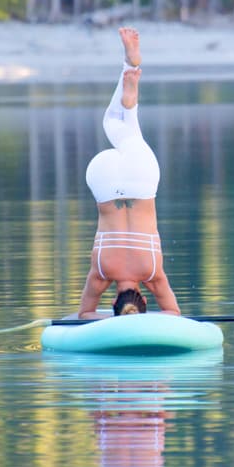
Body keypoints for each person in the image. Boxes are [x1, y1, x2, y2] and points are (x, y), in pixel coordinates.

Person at [78, 27, 181, 318]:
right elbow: (85, 314)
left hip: (141, 180)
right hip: (105, 180)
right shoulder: (100, 272)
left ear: (145, 301)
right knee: (113, 123)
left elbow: (173, 312)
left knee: (122, 128)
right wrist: (113, 320)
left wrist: (137, 319)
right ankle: (129, 84)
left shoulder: (153, 272)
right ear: (112, 304)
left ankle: (131, 83)